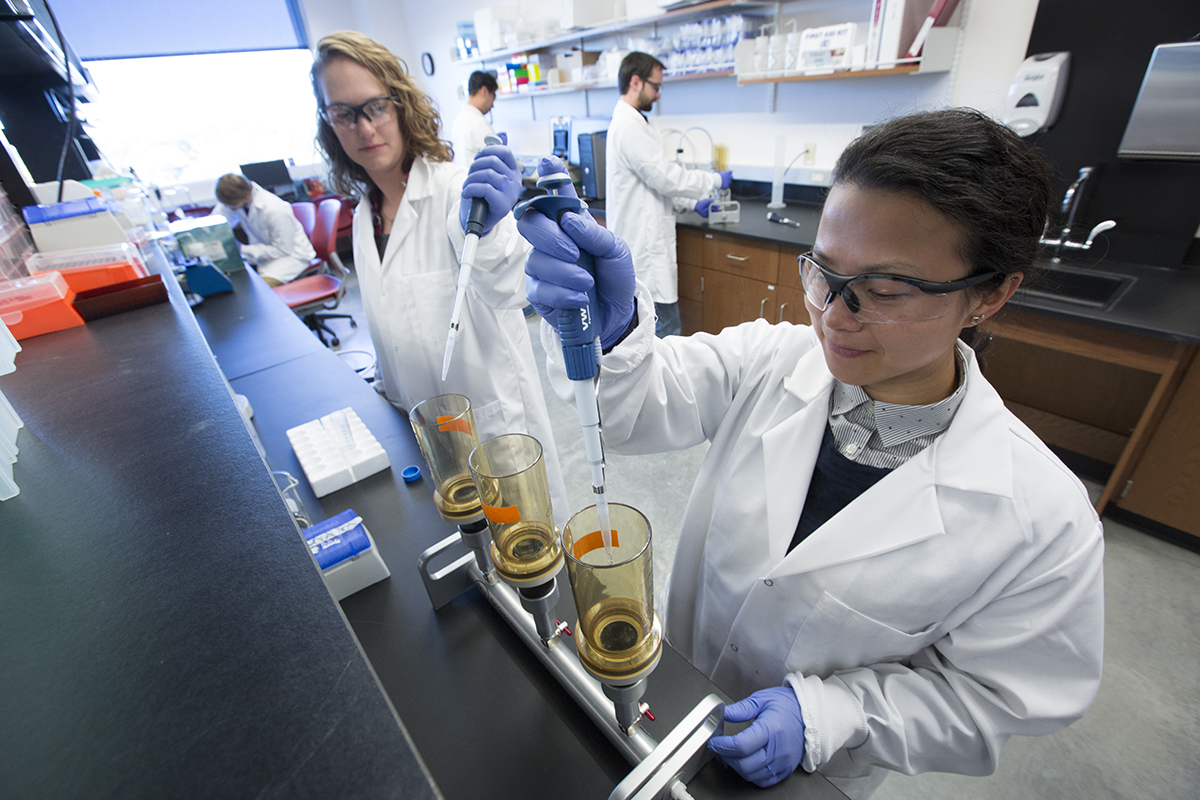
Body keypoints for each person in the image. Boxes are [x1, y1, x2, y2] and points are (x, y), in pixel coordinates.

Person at [519, 108, 1104, 798]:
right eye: (824, 272)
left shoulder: (1045, 521)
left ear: (990, 294)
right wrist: (615, 333)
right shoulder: (770, 359)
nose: (832, 314)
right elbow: (635, 410)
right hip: (669, 700)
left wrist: (835, 712)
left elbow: (998, 697)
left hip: (811, 776)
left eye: (885, 289)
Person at [310, 31, 570, 523]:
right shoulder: (366, 213)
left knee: (528, 568)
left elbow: (514, 281)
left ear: (401, 104)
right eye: (345, 113)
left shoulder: (454, 189)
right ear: (329, 123)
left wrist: (491, 229)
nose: (365, 128)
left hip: (495, 434)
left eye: (376, 107)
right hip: (426, 438)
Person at [605, 51, 731, 338]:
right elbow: (664, 177)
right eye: (656, 86)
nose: (659, 95)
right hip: (645, 253)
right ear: (636, 82)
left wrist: (691, 202)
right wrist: (713, 180)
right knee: (665, 332)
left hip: (646, 247)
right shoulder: (628, 126)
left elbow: (652, 185)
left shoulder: (634, 122)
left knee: (657, 331)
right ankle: (662, 385)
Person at [212, 173, 316, 286]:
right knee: (236, 280)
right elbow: (217, 220)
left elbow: (282, 250)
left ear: (246, 197)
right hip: (266, 256)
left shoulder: (274, 209)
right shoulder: (239, 201)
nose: (228, 208)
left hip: (290, 257)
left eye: (232, 205)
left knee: (260, 291)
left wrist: (243, 249)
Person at [451, 71, 500, 167]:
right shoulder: (478, 123)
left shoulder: (458, 120)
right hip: (483, 181)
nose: (492, 105)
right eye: (493, 96)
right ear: (484, 91)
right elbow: (498, 161)